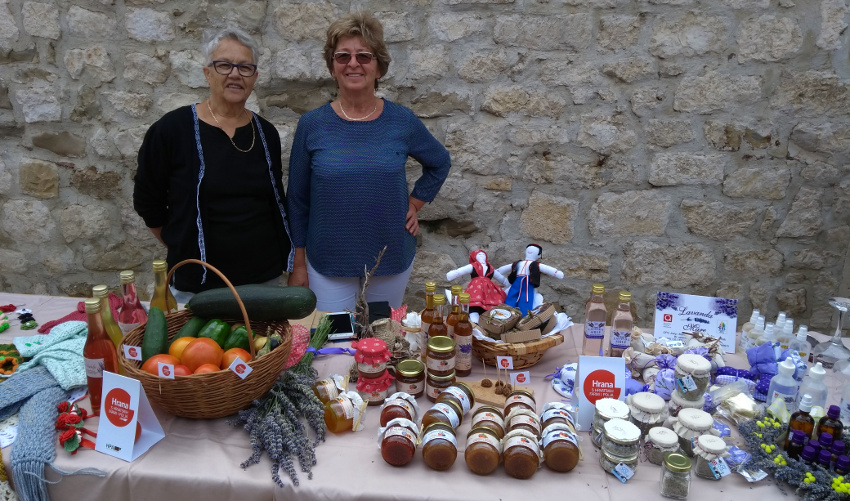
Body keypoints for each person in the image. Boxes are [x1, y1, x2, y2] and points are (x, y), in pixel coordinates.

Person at [287, 12, 451, 312]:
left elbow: (439, 162)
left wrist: (415, 204)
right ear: (332, 66)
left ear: (378, 67)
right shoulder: (312, 125)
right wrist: (298, 262)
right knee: (333, 344)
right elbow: (297, 200)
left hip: (390, 255)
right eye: (343, 56)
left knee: (381, 343)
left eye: (364, 56)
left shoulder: (401, 121)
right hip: (327, 261)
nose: (353, 63)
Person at [133, 27, 293, 303]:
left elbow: (274, 200)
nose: (234, 74)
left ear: (254, 78)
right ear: (208, 73)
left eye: (244, 67)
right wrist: (183, 243)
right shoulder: (172, 130)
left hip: (263, 282)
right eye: (224, 65)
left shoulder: (266, 133)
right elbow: (148, 202)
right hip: (196, 286)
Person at [496, 244, 564, 316]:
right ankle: (517, 315)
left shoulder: (519, 263)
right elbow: (548, 269)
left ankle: (510, 314)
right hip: (524, 282)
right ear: (538, 255)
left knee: (516, 296)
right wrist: (557, 273)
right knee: (523, 297)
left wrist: (496, 271)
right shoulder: (525, 264)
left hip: (524, 282)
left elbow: (503, 268)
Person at [446, 250, 510, 323]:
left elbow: (501, 278)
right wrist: (452, 274)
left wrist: (508, 283)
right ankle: (474, 321)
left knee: (491, 303)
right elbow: (460, 271)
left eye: (483, 254)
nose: (481, 255)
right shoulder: (473, 266)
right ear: (474, 257)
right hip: (475, 288)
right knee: (474, 303)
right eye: (479, 254)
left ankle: (488, 320)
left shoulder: (490, 268)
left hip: (489, 290)